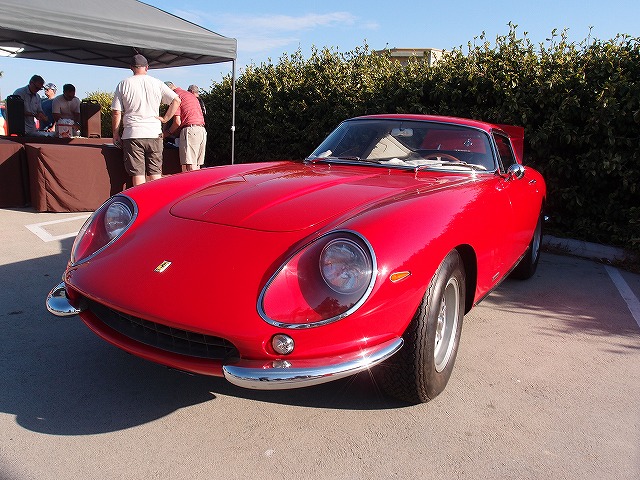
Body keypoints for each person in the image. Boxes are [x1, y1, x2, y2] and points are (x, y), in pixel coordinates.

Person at [111, 54, 180, 186]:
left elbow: (116, 112)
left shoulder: (124, 84)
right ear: (147, 67)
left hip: (133, 133)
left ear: (131, 67)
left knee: (138, 174)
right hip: (154, 132)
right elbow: (176, 100)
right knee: (155, 173)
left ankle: (141, 200)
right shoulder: (157, 83)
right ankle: (158, 199)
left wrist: (115, 134)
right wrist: (165, 119)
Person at [164, 81, 207, 171]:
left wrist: (166, 134)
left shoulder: (175, 97)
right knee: (197, 165)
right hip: (201, 130)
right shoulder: (188, 94)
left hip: (190, 131)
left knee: (189, 166)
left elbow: (177, 122)